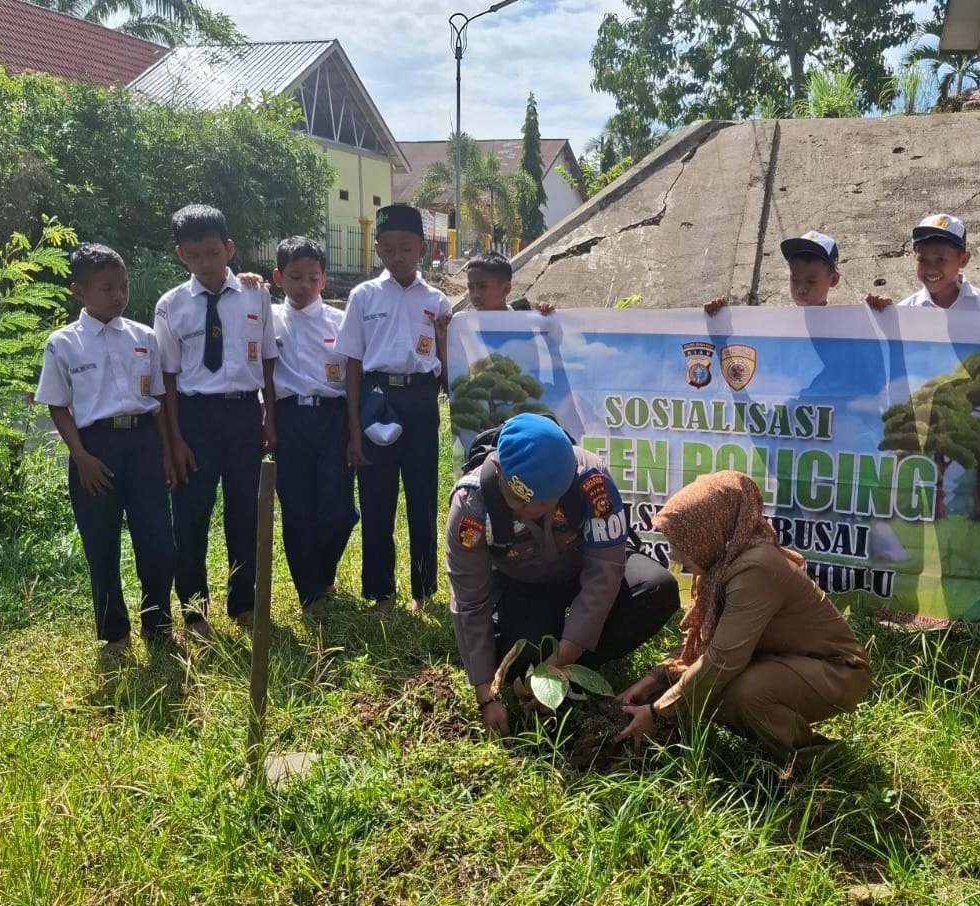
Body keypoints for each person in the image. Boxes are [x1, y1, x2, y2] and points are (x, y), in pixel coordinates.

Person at [445, 413, 680, 735]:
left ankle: (574, 669)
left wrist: (563, 659)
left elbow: (604, 572)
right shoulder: (472, 503)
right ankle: (535, 658)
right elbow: (470, 601)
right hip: (525, 584)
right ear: (499, 471)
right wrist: (486, 697)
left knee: (657, 588)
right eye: (521, 502)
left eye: (544, 504)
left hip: (581, 568)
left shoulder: (591, 481)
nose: (531, 511)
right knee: (519, 654)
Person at [615, 471, 871, 762]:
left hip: (838, 671)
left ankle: (814, 761)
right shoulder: (720, 565)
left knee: (741, 693)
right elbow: (702, 643)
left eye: (681, 542)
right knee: (710, 689)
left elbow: (723, 660)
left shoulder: (754, 569)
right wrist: (656, 679)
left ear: (708, 532)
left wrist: (657, 713)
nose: (674, 555)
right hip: (785, 660)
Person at [35, 243, 176, 660]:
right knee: (102, 545)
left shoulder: (143, 336)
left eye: (123, 286)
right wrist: (79, 456)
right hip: (94, 449)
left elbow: (161, 402)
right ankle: (114, 633)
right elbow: (56, 405)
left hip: (143, 445)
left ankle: (158, 621)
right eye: (107, 288)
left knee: (157, 541)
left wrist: (166, 454)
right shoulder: (63, 343)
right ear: (79, 291)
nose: (118, 296)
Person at [154, 204, 277, 636]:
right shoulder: (170, 306)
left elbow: (267, 361)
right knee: (189, 518)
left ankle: (243, 603)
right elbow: (166, 379)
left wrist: (268, 417)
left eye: (212, 252)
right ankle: (194, 611)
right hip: (194, 418)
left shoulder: (255, 294)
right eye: (193, 255)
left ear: (228, 248)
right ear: (179, 255)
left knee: (245, 513)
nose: (204, 264)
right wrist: (174, 441)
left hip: (244, 413)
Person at [340, 203, 452, 615]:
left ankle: (423, 591)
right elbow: (352, 363)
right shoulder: (363, 296)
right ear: (377, 250)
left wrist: (443, 340)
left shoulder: (438, 301)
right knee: (377, 501)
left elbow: (448, 372)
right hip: (377, 399)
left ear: (422, 248)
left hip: (421, 402)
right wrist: (354, 430)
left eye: (405, 247)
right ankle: (381, 593)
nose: (397, 256)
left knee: (422, 499)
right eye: (387, 249)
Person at [270, 236, 358, 618]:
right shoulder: (266, 318)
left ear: (323, 279)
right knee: (297, 509)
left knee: (340, 511)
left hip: (333, 419)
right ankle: (311, 594)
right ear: (278, 277)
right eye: (295, 277)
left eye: (313, 278)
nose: (304, 286)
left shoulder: (341, 323)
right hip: (289, 419)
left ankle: (323, 573)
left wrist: (355, 429)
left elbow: (356, 377)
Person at [865, 214, 980, 313]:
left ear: (963, 260)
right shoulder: (905, 310)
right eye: (923, 260)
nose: (931, 269)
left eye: (941, 259)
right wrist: (885, 317)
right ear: (914, 259)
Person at [705, 231, 841, 314]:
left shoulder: (846, 328)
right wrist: (720, 323)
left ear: (833, 280)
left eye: (811, 281)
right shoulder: (773, 327)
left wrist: (863, 316)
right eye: (795, 279)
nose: (801, 290)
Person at [464, 251, 552, 313]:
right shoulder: (465, 327)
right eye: (471, 287)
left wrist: (548, 319)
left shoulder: (523, 325)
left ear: (505, 289)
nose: (475, 295)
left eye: (482, 286)